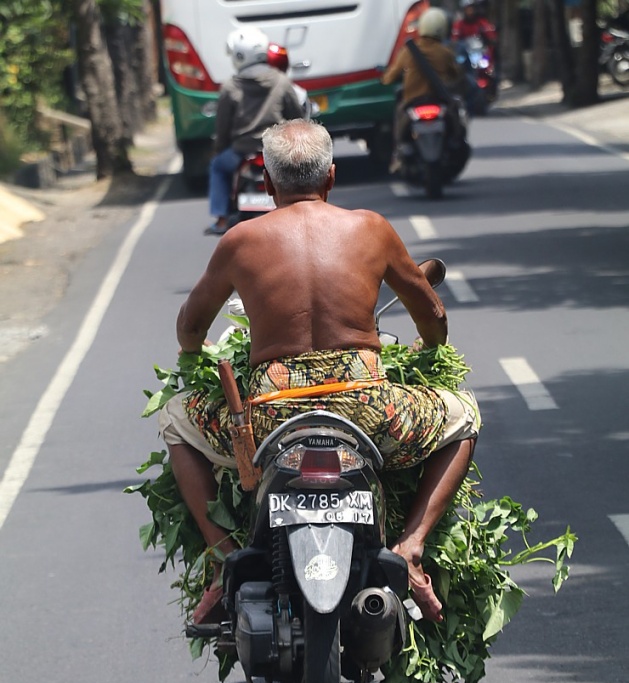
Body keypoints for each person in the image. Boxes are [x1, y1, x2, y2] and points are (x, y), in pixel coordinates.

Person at [159, 119, 480, 626]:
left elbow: (190, 327)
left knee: (176, 418)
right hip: (368, 412)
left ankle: (224, 563)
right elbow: (433, 317)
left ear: (266, 184)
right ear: (331, 178)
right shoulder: (371, 228)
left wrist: (193, 350)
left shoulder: (240, 241)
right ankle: (412, 546)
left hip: (267, 419)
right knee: (462, 414)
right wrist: (429, 349)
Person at [205, 26, 305, 236]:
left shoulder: (230, 87)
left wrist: (219, 149)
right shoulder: (281, 81)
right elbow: (296, 117)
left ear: (239, 56)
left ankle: (221, 219)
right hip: (277, 149)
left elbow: (222, 127)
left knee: (217, 166)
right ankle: (305, 210)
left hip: (241, 152)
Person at [380, 7, 467, 172]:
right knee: (457, 117)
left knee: (398, 118)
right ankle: (455, 144)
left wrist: (385, 78)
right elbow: (457, 74)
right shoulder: (445, 53)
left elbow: (389, 78)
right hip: (439, 101)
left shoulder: (408, 51)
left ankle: (397, 155)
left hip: (413, 102)